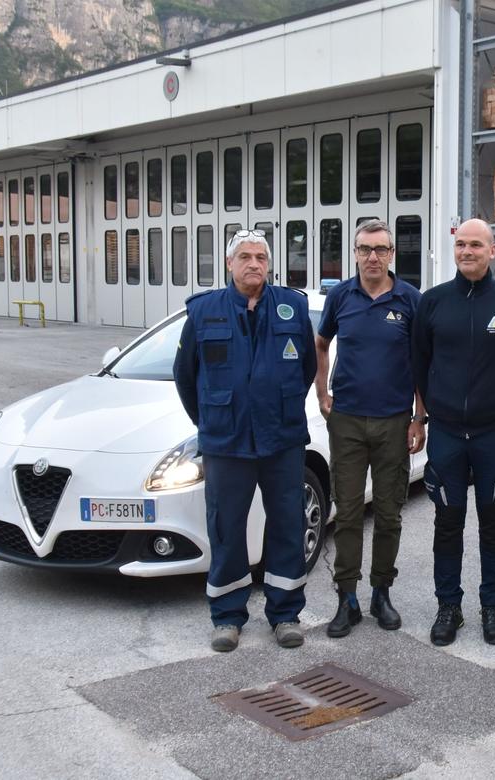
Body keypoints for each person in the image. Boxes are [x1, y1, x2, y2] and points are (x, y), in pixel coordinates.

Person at [174, 229, 317, 652]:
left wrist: (275, 406)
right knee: (227, 528)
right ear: (228, 264)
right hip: (227, 442)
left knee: (288, 524)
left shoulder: (293, 307)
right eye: (244, 257)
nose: (254, 264)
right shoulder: (204, 312)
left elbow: (306, 367)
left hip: (282, 438)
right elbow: (186, 377)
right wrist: (214, 420)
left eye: (260, 257)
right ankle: (227, 616)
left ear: (269, 265)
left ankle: (286, 613)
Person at [411, 218, 495, 646]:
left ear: (491, 250)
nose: (467, 251)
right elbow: (420, 365)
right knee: (447, 523)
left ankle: (492, 606)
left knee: (493, 521)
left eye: (476, 245)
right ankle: (449, 606)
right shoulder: (432, 303)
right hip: (447, 434)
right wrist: (437, 412)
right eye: (461, 244)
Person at [315, 219, 425, 639]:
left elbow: (420, 362)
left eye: (380, 249)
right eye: (365, 249)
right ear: (355, 253)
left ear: (392, 253)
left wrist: (419, 417)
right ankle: (347, 599)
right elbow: (321, 343)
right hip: (346, 421)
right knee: (346, 512)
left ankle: (381, 592)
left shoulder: (410, 299)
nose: (372, 257)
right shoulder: (341, 296)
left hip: (394, 422)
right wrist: (322, 392)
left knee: (389, 512)